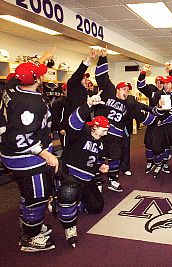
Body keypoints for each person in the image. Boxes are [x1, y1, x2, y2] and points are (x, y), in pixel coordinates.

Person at [0, 61, 59, 252]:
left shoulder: (11, 87)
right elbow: (24, 138)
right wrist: (47, 156)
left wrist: (43, 57)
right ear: (37, 79)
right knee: (37, 195)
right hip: (28, 159)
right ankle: (30, 237)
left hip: (9, 152)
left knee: (27, 192)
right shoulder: (32, 103)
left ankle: (29, 224)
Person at [95, 48, 155, 192]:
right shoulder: (109, 91)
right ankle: (96, 181)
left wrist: (155, 116)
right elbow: (102, 77)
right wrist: (103, 58)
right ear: (117, 90)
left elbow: (140, 112)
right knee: (97, 156)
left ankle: (112, 180)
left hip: (116, 135)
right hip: (100, 133)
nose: (126, 92)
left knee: (116, 157)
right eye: (124, 89)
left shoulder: (129, 103)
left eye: (128, 90)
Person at [57, 93, 109, 248]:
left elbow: (98, 160)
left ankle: (76, 202)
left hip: (87, 179)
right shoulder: (80, 132)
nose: (106, 133)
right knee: (68, 192)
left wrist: (100, 166)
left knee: (96, 207)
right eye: (104, 130)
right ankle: (70, 228)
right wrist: (88, 105)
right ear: (95, 127)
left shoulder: (101, 143)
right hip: (71, 175)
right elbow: (73, 121)